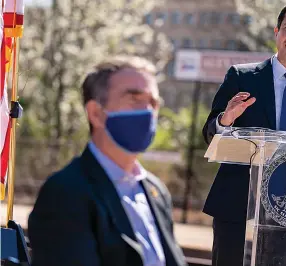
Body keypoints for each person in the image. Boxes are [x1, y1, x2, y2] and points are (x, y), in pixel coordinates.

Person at [202, 1, 286, 265]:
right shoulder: (242, 77)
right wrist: (226, 120)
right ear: (276, 32)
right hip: (237, 201)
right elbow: (210, 133)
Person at [28, 56, 187, 266]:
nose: (148, 111)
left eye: (153, 102)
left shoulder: (155, 191)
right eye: (134, 99)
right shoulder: (66, 192)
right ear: (96, 113)